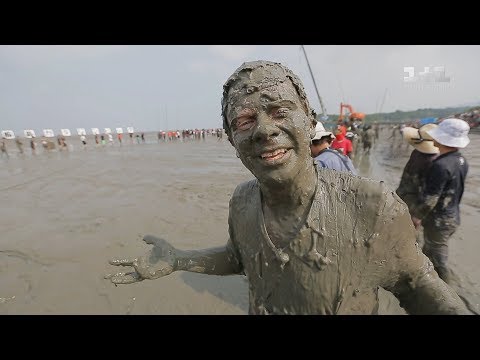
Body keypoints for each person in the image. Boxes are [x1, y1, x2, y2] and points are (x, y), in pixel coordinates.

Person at [105, 60, 468, 315]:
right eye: (245, 120)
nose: (264, 130)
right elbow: (239, 258)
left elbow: (417, 285)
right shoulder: (242, 200)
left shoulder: (371, 206)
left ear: (309, 121)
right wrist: (179, 259)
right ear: (232, 138)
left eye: (280, 111)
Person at [410, 119, 470, 284]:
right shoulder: (461, 161)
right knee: (429, 251)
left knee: (439, 259)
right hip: (452, 217)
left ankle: (447, 292)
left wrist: (416, 216)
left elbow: (430, 198)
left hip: (440, 221)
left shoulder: (441, 165)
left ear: (443, 139)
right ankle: (425, 280)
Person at [396, 124, 439, 215]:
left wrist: (419, 214)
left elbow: (430, 191)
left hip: (415, 200)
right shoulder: (416, 153)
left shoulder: (434, 162)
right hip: (404, 193)